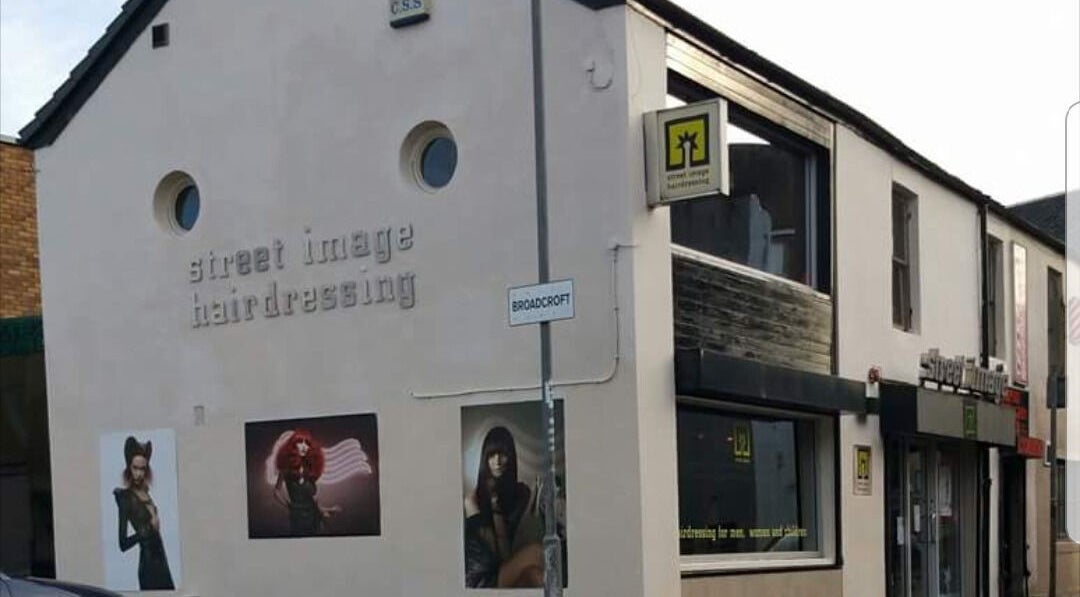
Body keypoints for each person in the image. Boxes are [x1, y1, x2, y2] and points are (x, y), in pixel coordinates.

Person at [463, 426, 544, 588]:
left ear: (511, 457)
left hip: (502, 569)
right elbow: (498, 555)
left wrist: (536, 501)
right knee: (537, 552)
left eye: (503, 454)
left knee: (534, 575)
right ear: (484, 459)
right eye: (492, 455)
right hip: (482, 579)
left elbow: (511, 549)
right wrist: (494, 505)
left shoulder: (516, 493)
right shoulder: (472, 500)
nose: (498, 461)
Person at [113, 436, 175, 591]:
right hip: (148, 565)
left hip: (162, 562)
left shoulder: (146, 493)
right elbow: (123, 544)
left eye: (143, 469)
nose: (139, 473)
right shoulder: (125, 497)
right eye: (135, 468)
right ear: (129, 467)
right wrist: (148, 528)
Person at [272, 429, 340, 535]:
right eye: (300, 442)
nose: (304, 446)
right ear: (293, 445)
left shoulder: (309, 470)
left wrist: (329, 509)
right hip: (297, 519)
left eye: (307, 444)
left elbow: (312, 502)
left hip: (314, 519)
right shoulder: (285, 470)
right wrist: (289, 505)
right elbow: (276, 492)